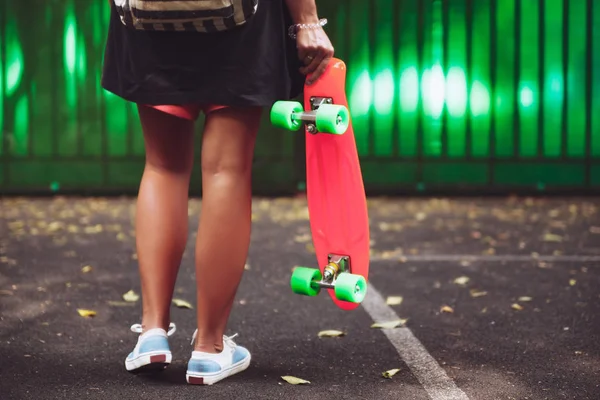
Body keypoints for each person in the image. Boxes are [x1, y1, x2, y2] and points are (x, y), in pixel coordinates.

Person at [101, 0, 335, 386]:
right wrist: (307, 21)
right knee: (226, 170)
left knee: (163, 166)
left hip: (149, 20)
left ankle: (151, 333)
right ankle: (209, 350)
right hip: (240, 21)